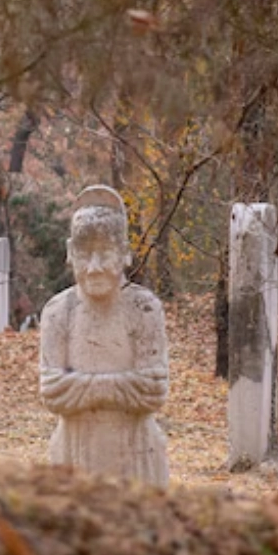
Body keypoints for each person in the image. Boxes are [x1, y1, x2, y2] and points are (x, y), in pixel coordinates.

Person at [39, 185, 170, 487]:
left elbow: (153, 389)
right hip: (73, 452)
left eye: (106, 252)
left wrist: (82, 389)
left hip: (137, 453)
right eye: (85, 254)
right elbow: (52, 391)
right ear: (70, 252)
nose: (95, 267)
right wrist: (122, 387)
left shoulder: (143, 308)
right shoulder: (59, 312)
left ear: (125, 253)